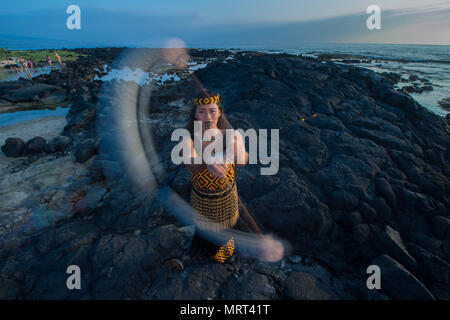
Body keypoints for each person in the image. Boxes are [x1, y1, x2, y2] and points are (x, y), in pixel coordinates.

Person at [182, 89, 251, 263]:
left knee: (229, 227)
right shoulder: (188, 137)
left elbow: (243, 161)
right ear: (195, 114)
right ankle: (203, 254)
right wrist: (209, 159)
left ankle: (223, 254)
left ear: (219, 112)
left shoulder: (229, 135)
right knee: (205, 234)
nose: (208, 117)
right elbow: (191, 164)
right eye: (202, 111)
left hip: (227, 197)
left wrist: (238, 151)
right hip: (202, 200)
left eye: (212, 111)